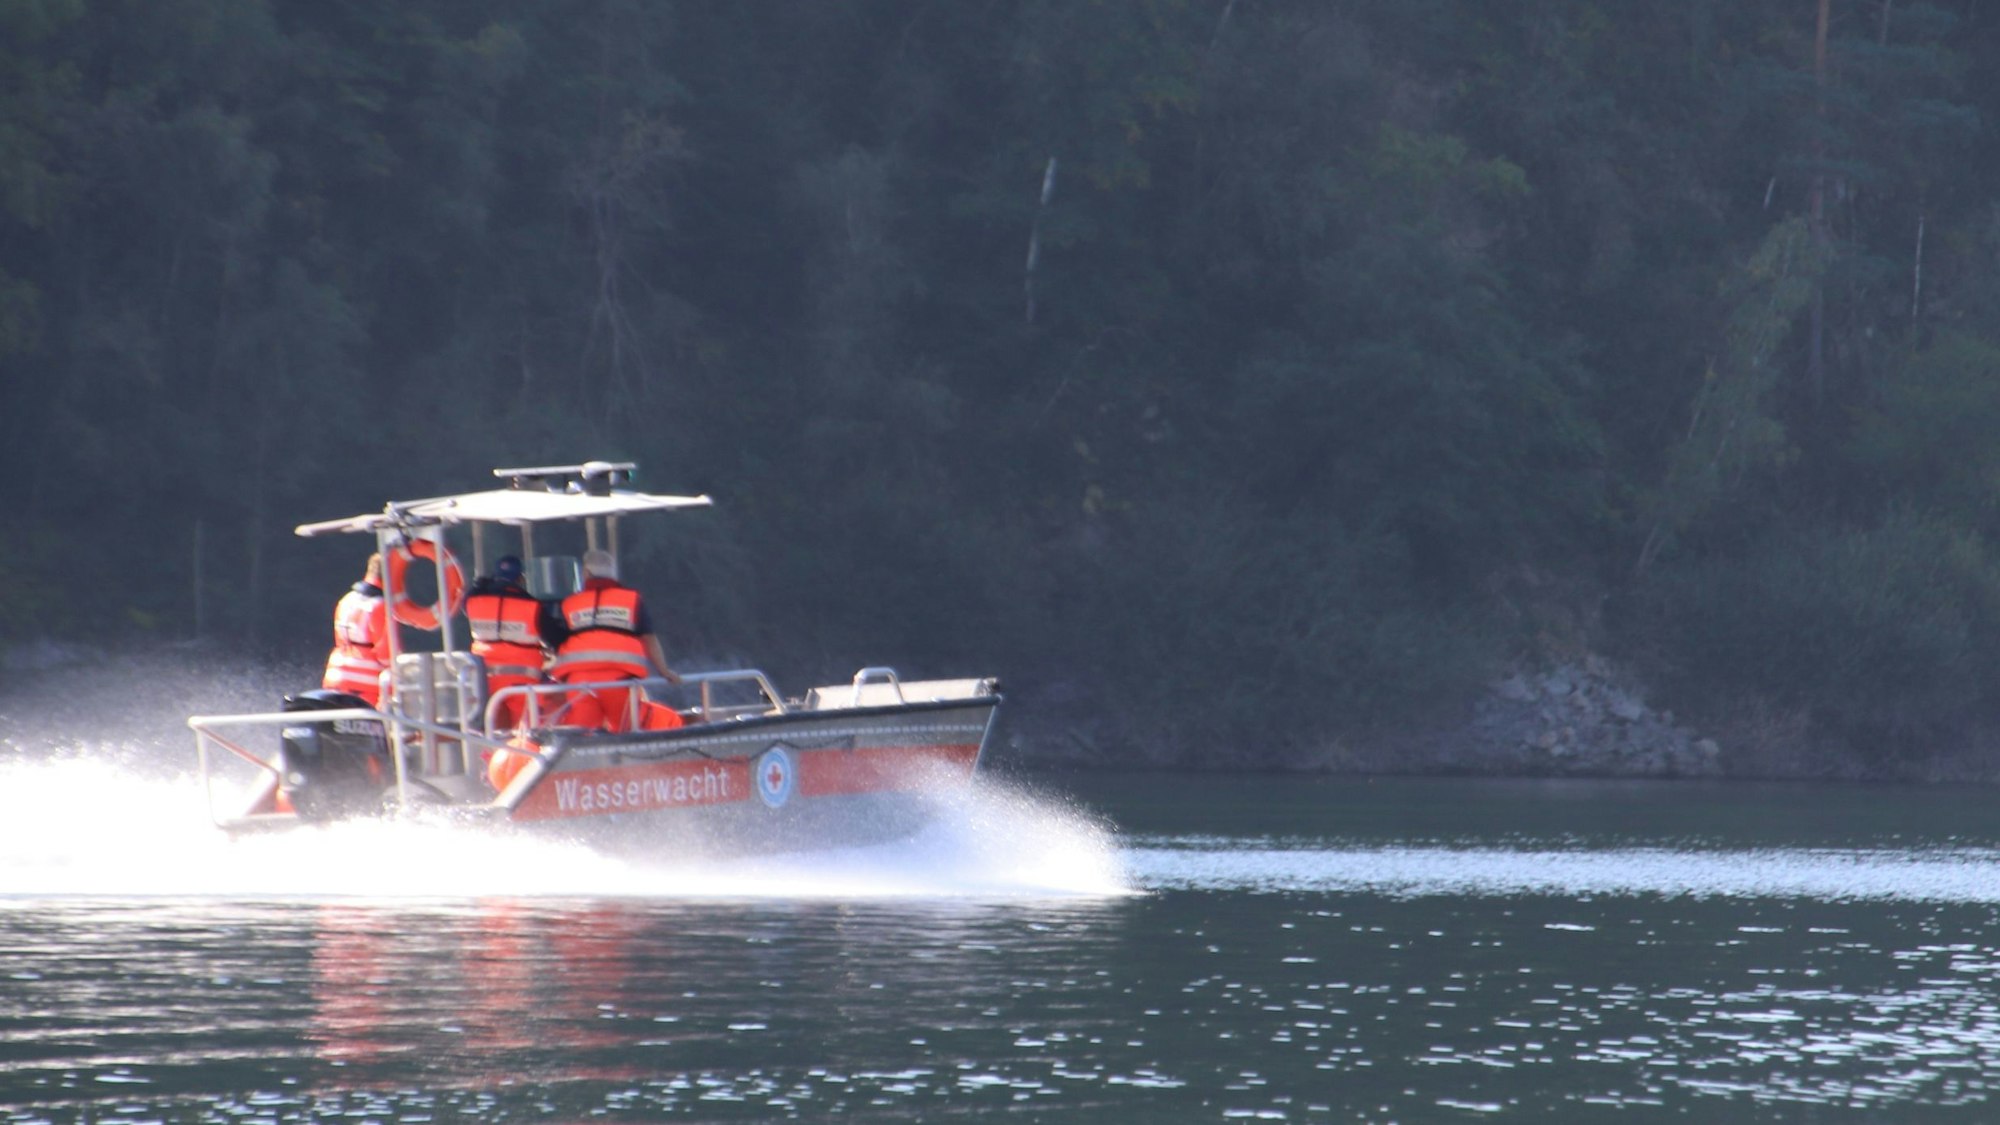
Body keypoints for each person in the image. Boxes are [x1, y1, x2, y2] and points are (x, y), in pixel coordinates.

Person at [549, 548, 679, 732]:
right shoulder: (631, 600)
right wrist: (664, 671)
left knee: (583, 735)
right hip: (618, 680)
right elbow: (648, 638)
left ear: (586, 574)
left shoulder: (570, 604)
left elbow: (562, 640)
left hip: (580, 682)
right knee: (629, 732)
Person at [462, 555, 559, 732]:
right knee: (524, 734)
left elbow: (464, 603)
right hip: (522, 683)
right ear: (521, 579)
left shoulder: (474, 601)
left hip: (484, 681)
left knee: (486, 730)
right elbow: (555, 637)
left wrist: (478, 587)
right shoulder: (533, 606)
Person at [322, 553, 391, 707]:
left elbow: (339, 640)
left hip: (335, 678)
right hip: (365, 687)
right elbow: (386, 655)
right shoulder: (380, 606)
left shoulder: (346, 600)